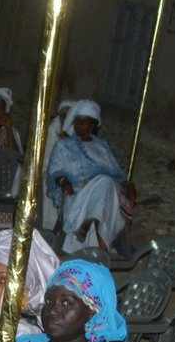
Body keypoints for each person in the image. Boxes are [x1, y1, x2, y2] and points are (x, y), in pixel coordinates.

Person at [48, 100, 135, 251]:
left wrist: (129, 185)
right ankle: (102, 247)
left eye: (85, 123)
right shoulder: (64, 145)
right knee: (104, 184)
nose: (80, 126)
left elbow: (117, 172)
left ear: (92, 125)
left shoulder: (101, 146)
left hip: (108, 189)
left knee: (105, 182)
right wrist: (63, 182)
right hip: (80, 191)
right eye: (78, 122)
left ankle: (88, 222)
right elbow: (54, 171)